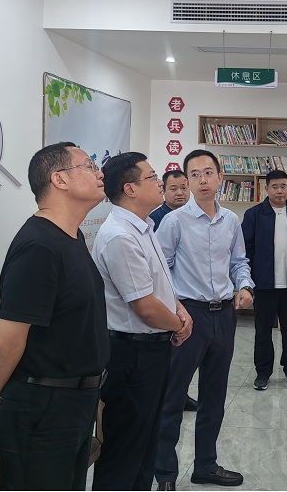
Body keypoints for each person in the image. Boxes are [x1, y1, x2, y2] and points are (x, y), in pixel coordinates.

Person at [0, 142, 110, 490]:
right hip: (43, 404)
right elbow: (5, 340)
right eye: (88, 165)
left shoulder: (72, 236)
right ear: (59, 180)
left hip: (76, 401)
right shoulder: (39, 246)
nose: (99, 172)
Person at [91, 153, 193, 491]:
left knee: (146, 443)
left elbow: (158, 285)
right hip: (132, 354)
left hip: (151, 349)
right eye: (151, 177)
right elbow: (145, 307)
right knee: (125, 449)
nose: (160, 183)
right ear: (130, 189)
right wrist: (178, 325)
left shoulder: (143, 226)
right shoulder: (120, 236)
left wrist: (178, 309)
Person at [155, 149, 254, 489]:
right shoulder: (174, 222)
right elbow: (160, 270)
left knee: (214, 396)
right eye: (194, 175)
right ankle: (165, 474)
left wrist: (245, 286)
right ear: (186, 181)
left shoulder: (231, 221)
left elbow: (239, 261)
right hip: (188, 316)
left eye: (208, 172)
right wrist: (175, 310)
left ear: (220, 177)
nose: (202, 180)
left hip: (223, 316)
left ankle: (206, 465)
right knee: (173, 397)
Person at [241, 170, 287, 390]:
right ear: (266, 189)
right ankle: (263, 372)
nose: (280, 191)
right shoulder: (254, 214)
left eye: (283, 186)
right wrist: (248, 281)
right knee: (263, 332)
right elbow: (245, 249)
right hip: (264, 284)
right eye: (275, 187)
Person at [149, 169, 198, 413]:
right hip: (166, 296)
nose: (180, 193)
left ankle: (180, 395)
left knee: (183, 355)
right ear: (164, 190)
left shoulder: (193, 216)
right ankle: (166, 400)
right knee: (168, 353)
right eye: (173, 188)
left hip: (188, 296)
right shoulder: (155, 219)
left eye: (183, 188)